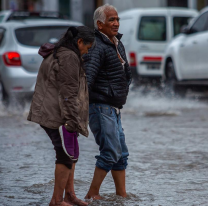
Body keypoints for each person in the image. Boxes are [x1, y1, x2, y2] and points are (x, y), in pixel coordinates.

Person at [27, 26, 95, 206]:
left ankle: (69, 195)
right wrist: (72, 121)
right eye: (87, 47)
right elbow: (68, 94)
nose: (87, 52)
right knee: (65, 156)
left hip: (57, 113)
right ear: (79, 42)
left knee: (71, 154)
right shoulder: (69, 57)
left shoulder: (62, 52)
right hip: (59, 116)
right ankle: (57, 201)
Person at [83, 4, 132, 199]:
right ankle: (92, 194)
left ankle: (122, 195)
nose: (116, 23)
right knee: (111, 151)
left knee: (121, 155)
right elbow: (88, 77)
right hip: (100, 107)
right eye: (111, 20)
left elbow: (126, 72)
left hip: (114, 107)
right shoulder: (96, 46)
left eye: (117, 19)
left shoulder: (117, 43)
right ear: (99, 25)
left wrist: (124, 88)